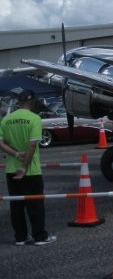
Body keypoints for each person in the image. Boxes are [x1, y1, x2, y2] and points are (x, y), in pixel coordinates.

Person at [0, 88, 56, 246]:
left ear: (19, 102)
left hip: (11, 169)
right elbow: (32, 145)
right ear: (31, 101)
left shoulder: (6, 119)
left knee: (16, 205)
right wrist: (24, 165)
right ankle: (40, 236)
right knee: (35, 204)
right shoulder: (34, 119)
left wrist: (16, 155)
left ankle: (20, 237)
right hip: (31, 170)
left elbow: (1, 142)